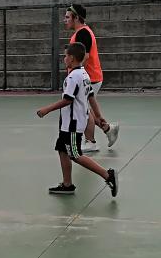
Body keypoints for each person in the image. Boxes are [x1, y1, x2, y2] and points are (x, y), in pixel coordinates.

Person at [36, 43, 118, 197]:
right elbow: (91, 96)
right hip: (68, 123)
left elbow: (68, 100)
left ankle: (107, 175)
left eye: (66, 56)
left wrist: (47, 109)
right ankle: (67, 184)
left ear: (72, 58)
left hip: (72, 124)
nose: (64, 59)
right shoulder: (84, 74)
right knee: (62, 149)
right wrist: (99, 116)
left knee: (75, 154)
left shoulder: (73, 77)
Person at [65, 4, 119, 152]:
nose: (65, 20)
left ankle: (91, 142)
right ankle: (109, 129)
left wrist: (75, 75)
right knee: (85, 109)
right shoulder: (81, 33)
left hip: (90, 77)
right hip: (90, 77)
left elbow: (85, 56)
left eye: (68, 17)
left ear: (76, 18)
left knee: (83, 110)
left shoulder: (83, 33)